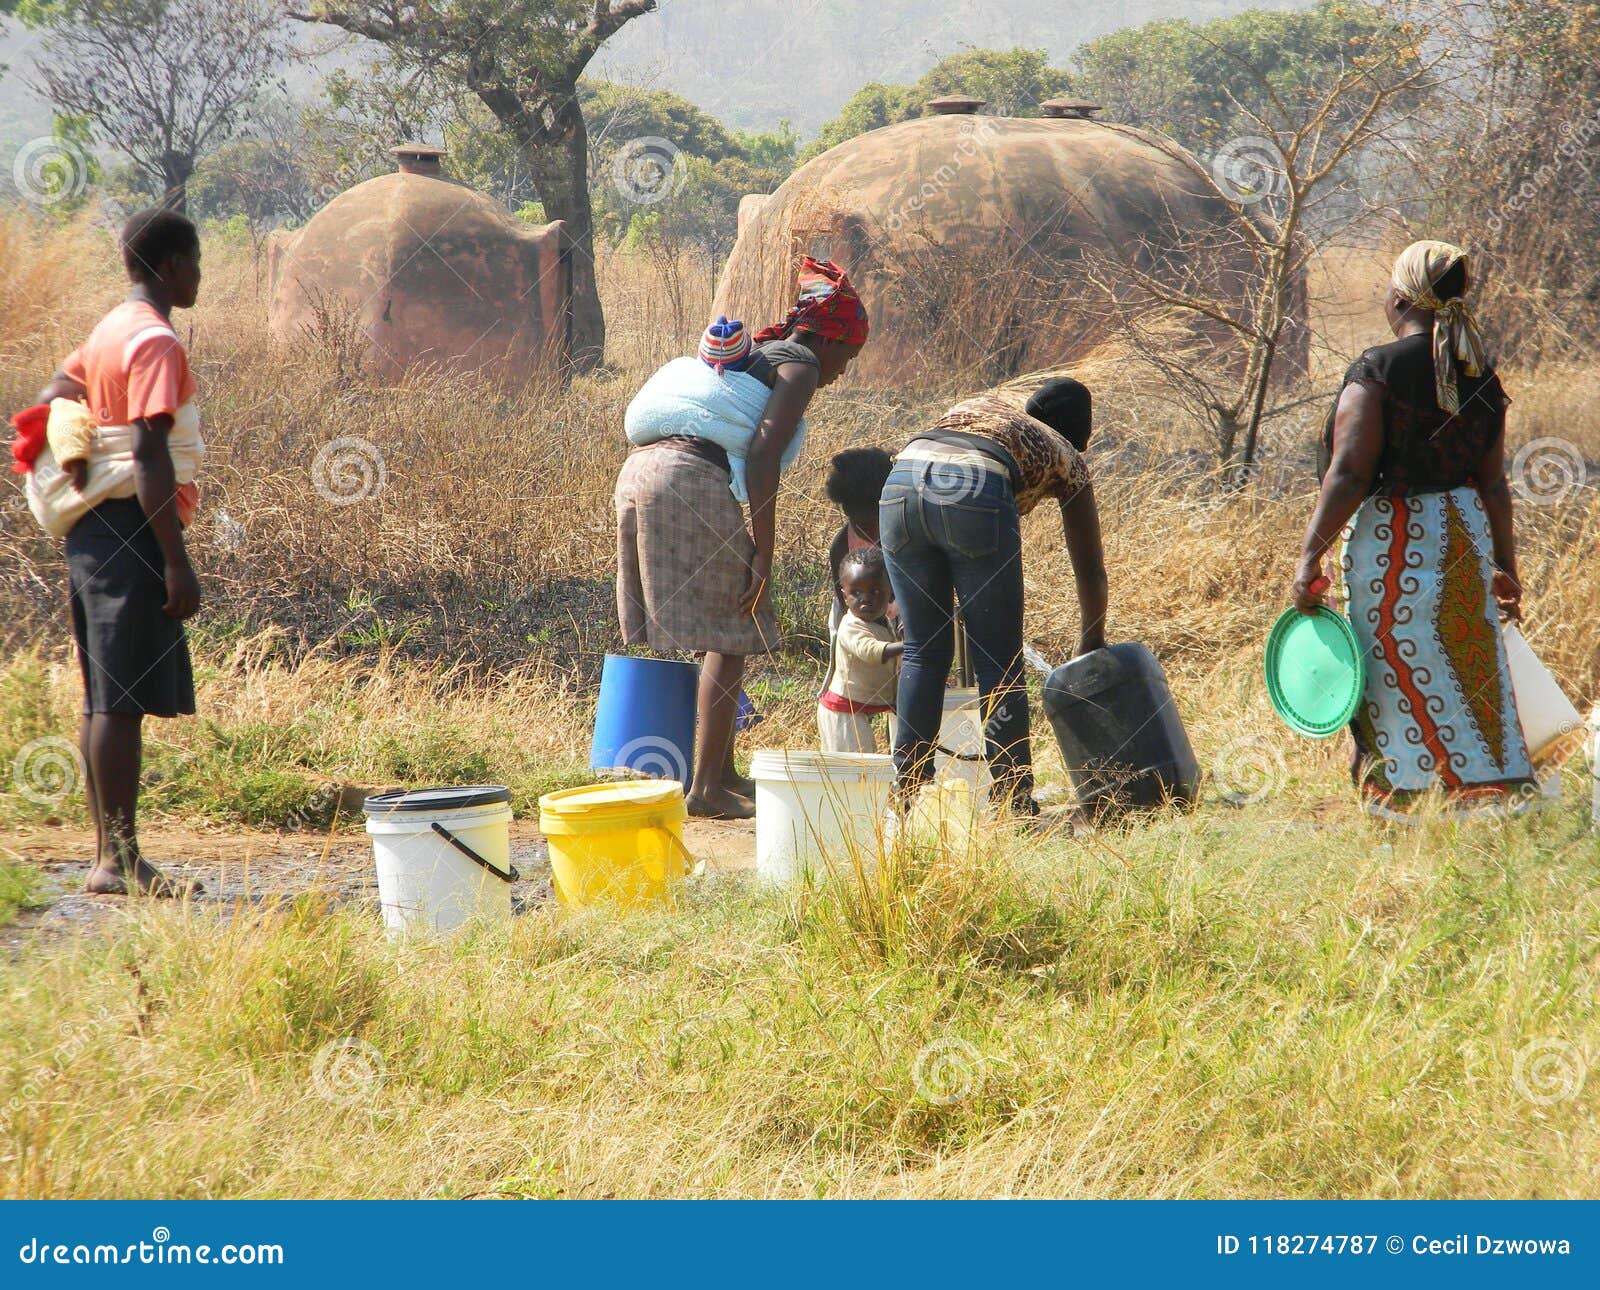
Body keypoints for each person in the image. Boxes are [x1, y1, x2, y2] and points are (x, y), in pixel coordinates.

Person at [615, 257, 868, 818]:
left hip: (644, 472)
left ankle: (721, 774)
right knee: (734, 630)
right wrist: (765, 552)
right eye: (847, 356)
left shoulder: (763, 356)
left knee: (728, 631)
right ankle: (705, 790)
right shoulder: (799, 364)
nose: (844, 371)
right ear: (828, 341)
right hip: (686, 477)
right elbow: (762, 454)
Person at [1292, 239, 1534, 818]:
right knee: (1465, 659)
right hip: (1463, 533)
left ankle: (1410, 799)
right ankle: (1488, 791)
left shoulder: (1378, 370)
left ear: (1399, 295)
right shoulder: (1479, 372)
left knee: (1393, 659)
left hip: (1393, 540)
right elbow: (1495, 484)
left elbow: (1349, 474)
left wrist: (1309, 558)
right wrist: (1506, 565)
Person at [31, 208, 206, 895]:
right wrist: (175, 560)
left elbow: (53, 396)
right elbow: (149, 452)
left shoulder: (109, 329)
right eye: (195, 263)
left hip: (93, 533)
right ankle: (116, 861)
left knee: (106, 698)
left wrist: (82, 441)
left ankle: (113, 854)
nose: (199, 276)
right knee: (119, 702)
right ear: (170, 266)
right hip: (131, 529)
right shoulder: (156, 340)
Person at [881, 377, 1108, 815]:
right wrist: (1091, 638)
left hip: (900, 483)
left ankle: (905, 791)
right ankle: (1012, 798)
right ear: (1080, 433)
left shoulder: (984, 410)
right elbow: (1091, 569)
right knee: (998, 662)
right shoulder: (1065, 454)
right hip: (976, 487)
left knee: (923, 652)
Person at [817, 548, 903, 754]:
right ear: (844, 596)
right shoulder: (850, 625)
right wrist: (910, 646)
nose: (865, 599)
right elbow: (870, 651)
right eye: (856, 593)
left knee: (867, 764)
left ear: (890, 593)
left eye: (875, 592)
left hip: (862, 705)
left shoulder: (883, 623)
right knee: (854, 767)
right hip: (842, 709)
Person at [823, 446, 895, 625]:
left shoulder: (907, 535)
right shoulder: (842, 547)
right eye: (862, 526)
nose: (871, 534)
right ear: (847, 512)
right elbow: (845, 604)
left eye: (877, 523)